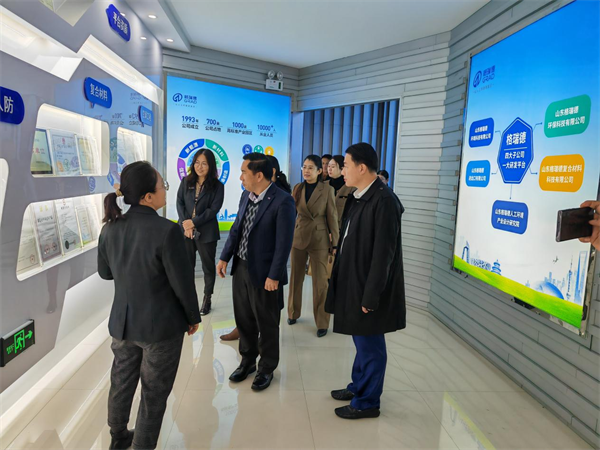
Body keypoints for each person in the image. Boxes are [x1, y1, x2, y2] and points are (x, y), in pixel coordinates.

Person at [98, 162, 201, 450]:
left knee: (121, 381)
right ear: (147, 197)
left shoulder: (109, 228)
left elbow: (105, 273)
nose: (165, 190)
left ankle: (118, 436)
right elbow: (182, 282)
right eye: (162, 186)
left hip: (122, 324)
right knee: (153, 393)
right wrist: (192, 317)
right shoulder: (167, 231)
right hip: (161, 328)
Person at [325, 143, 405, 420]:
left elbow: (384, 255)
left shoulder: (384, 201)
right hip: (355, 281)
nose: (342, 170)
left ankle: (368, 402)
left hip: (369, 289)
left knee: (371, 346)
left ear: (361, 168)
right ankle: (358, 387)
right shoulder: (359, 195)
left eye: (345, 165)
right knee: (361, 341)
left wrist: (371, 296)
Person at [217, 153, 295, 391]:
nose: (240, 177)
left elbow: (283, 244)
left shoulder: (283, 201)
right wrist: (224, 257)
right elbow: (236, 229)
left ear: (259, 175)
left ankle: (267, 368)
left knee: (266, 322)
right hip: (241, 267)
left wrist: (274, 275)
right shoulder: (245, 196)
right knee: (244, 318)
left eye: (244, 172)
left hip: (265, 273)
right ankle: (248, 361)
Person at [288, 155, 339, 337]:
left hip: (319, 239)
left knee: (320, 283)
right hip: (299, 236)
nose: (306, 171)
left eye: (310, 167)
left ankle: (322, 322)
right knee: (295, 278)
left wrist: (335, 243)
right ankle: (293, 313)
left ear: (319, 171)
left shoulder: (328, 190)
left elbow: (332, 216)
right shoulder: (298, 188)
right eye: (304, 167)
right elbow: (290, 214)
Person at [176, 149, 224, 316]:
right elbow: (179, 203)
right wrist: (186, 225)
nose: (200, 166)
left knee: (208, 268)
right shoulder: (186, 181)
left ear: (211, 166)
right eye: (197, 162)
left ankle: (207, 298)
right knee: (186, 267)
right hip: (186, 232)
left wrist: (194, 222)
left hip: (207, 232)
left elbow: (213, 210)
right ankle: (188, 300)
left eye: (204, 163)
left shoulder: (218, 186)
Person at [326, 155, 356, 231]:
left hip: (341, 227)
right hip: (324, 228)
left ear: (342, 169)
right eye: (328, 166)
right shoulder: (323, 185)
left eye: (333, 167)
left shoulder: (350, 187)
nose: (329, 169)